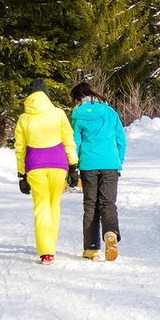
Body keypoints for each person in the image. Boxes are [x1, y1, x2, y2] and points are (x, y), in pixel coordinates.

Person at [14, 78, 78, 264]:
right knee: (54, 205)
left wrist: (21, 174)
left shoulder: (23, 118)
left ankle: (46, 252)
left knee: (41, 207)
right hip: (58, 164)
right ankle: (51, 245)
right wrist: (73, 165)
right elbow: (68, 140)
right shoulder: (58, 114)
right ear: (46, 94)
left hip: (35, 165)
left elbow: (20, 148)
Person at [70, 82, 126, 261]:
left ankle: (91, 248)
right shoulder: (110, 113)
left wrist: (74, 165)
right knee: (108, 203)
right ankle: (110, 233)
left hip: (88, 164)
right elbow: (120, 140)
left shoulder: (77, 116)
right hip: (110, 163)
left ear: (78, 98)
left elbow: (75, 143)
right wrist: (118, 162)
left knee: (90, 206)